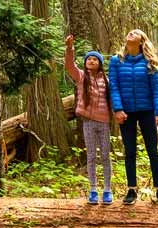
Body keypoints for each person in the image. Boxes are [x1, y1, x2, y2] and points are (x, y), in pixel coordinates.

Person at [109, 29, 158, 205]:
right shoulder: (116, 61)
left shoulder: (149, 62)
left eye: (136, 33)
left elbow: (156, 91)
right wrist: (118, 109)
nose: (131, 33)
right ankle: (131, 190)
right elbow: (114, 87)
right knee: (130, 151)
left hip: (147, 110)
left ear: (142, 40)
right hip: (126, 112)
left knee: (153, 151)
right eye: (129, 32)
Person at [65, 35, 113, 205]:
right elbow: (70, 66)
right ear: (85, 63)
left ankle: (107, 190)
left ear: (100, 63)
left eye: (95, 59)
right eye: (89, 59)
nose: (91, 61)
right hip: (88, 123)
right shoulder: (81, 77)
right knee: (91, 156)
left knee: (106, 156)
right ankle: (93, 189)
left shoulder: (107, 80)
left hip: (104, 123)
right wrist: (70, 48)